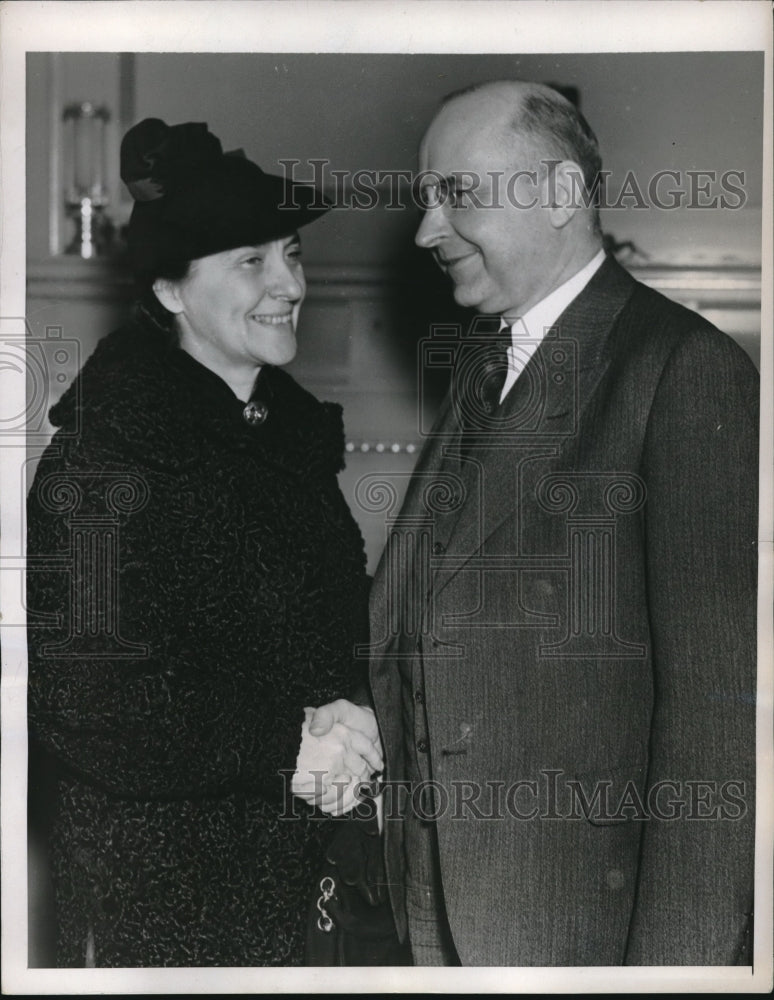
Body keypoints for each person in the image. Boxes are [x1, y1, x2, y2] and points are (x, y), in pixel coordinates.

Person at [309, 80, 758, 965]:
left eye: (458, 195)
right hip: (433, 918)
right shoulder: (490, 364)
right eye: (426, 199)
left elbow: (716, 729)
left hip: (574, 933)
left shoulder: (683, 369)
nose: (425, 232)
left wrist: (676, 979)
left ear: (559, 194)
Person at [26, 117, 382, 967]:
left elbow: (315, 625)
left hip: (294, 875)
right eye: (251, 262)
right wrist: (284, 746)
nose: (289, 283)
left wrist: (347, 700)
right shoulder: (107, 450)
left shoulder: (285, 434)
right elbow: (81, 696)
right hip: (158, 890)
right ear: (171, 292)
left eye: (291, 252)